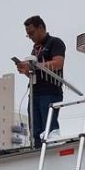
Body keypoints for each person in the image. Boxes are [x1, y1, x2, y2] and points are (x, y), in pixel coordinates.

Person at [17, 15, 66, 148]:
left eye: (31, 33)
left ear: (40, 28)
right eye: (28, 35)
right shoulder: (35, 49)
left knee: (49, 128)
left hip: (50, 91)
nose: (30, 37)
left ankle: (52, 150)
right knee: (35, 129)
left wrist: (35, 65)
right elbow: (35, 72)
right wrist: (26, 70)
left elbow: (58, 63)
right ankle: (37, 150)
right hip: (35, 93)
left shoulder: (55, 42)